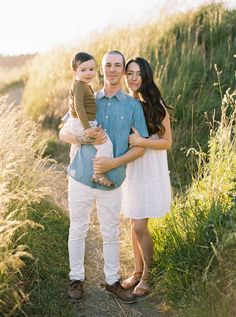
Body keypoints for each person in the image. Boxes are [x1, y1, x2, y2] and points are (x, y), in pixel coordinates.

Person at [59, 50, 149, 303]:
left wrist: (114, 163)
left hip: (112, 179)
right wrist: (81, 137)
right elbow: (63, 133)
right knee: (78, 228)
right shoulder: (88, 95)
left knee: (110, 232)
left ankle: (112, 281)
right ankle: (76, 279)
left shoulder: (133, 106)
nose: (112, 69)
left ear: (123, 71)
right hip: (80, 175)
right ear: (102, 69)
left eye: (117, 65)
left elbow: (140, 146)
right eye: (107, 65)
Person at [120, 57, 172, 297]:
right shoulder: (127, 102)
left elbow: (167, 142)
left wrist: (141, 141)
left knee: (141, 226)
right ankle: (137, 270)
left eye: (138, 74)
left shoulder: (155, 103)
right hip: (133, 168)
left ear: (146, 76)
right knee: (134, 222)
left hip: (150, 167)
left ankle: (149, 274)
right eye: (129, 73)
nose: (133, 78)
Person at [66, 51, 114, 187]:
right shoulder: (79, 86)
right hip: (81, 123)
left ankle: (71, 171)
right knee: (106, 144)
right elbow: (79, 107)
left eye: (91, 69)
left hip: (79, 122)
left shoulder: (83, 85)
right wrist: (87, 128)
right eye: (83, 70)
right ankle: (98, 174)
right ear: (74, 72)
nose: (88, 73)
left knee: (76, 147)